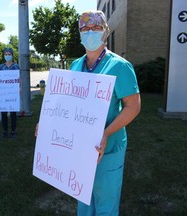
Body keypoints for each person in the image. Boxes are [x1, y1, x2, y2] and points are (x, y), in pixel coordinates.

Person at [69, 10, 141, 215]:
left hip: (108, 148)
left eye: (95, 28)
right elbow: (68, 103)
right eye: (85, 29)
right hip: (80, 147)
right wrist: (49, 123)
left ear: (105, 31)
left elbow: (133, 106)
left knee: (105, 203)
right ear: (79, 33)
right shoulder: (75, 65)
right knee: (83, 198)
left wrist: (106, 133)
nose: (90, 32)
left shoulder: (119, 66)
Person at [0, 48, 20, 138]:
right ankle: (5, 131)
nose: (7, 56)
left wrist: (19, 88)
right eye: (6, 54)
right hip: (3, 93)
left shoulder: (16, 66)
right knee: (3, 113)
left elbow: (19, 79)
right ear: (4, 55)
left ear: (12, 55)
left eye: (9, 54)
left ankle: (13, 131)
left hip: (13, 93)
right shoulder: (1, 67)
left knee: (13, 113)